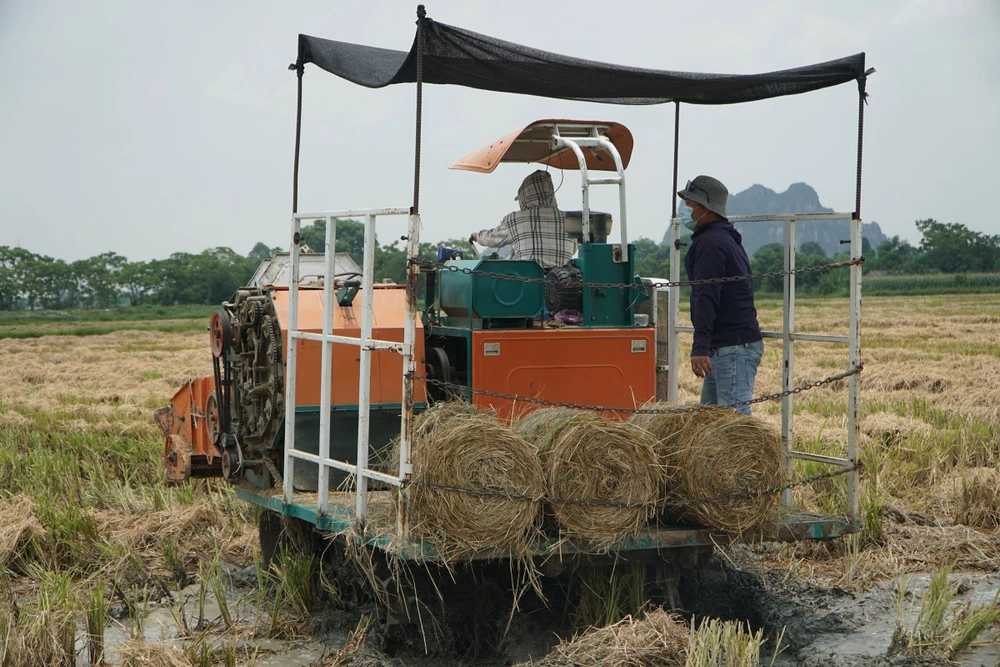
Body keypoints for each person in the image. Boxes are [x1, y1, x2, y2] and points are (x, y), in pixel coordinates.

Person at [678, 175, 763, 416]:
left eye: (689, 205)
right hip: (727, 345)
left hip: (732, 347)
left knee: (734, 426)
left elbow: (706, 295)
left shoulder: (711, 243)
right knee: (711, 423)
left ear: (705, 209)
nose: (686, 211)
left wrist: (700, 347)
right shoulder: (723, 238)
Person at [470, 170, 576, 268]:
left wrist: (477, 236)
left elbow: (491, 239)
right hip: (563, 280)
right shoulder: (571, 220)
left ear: (524, 197)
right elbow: (573, 248)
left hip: (526, 281)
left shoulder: (515, 220)